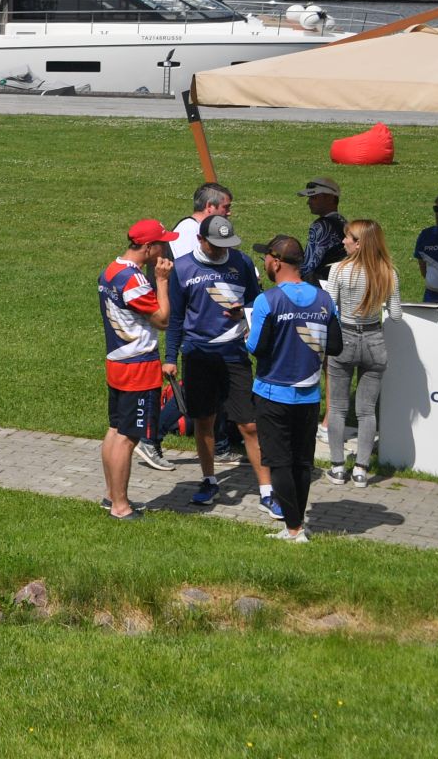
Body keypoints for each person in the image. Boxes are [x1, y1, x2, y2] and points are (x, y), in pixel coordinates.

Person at [165, 215, 282, 516]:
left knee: (250, 424)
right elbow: (176, 318)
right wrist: (169, 357)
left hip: (233, 354)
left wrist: (243, 316)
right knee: (204, 422)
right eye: (215, 245)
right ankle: (209, 480)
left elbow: (258, 306)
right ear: (201, 240)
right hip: (198, 355)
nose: (221, 251)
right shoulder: (183, 268)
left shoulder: (241, 263)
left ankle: (267, 491)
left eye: (226, 245)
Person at [245, 234, 343, 543]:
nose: (264, 262)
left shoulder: (268, 300)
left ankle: (294, 529)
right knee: (302, 461)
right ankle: (297, 523)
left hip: (273, 392)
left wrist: (248, 331)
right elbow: (336, 345)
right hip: (310, 394)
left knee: (279, 462)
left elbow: (256, 348)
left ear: (275, 262)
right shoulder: (324, 299)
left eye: (266, 258)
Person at [97, 219, 177, 520]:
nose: (165, 247)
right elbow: (163, 319)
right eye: (162, 243)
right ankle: (120, 506)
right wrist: (162, 281)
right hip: (138, 366)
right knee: (129, 437)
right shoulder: (134, 282)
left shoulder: (111, 270)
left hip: (117, 360)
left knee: (116, 429)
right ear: (148, 247)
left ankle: (111, 495)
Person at [325, 219, 400, 487]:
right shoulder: (388, 271)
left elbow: (330, 307)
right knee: (367, 410)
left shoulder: (339, 270)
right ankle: (361, 469)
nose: (343, 241)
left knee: (338, 408)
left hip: (344, 337)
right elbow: (397, 314)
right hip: (374, 339)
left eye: (348, 237)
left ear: (360, 243)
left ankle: (337, 466)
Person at [298, 176, 348, 283]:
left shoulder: (320, 226)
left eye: (314, 197)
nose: (308, 202)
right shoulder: (344, 221)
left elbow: (307, 266)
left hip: (323, 284)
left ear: (330, 198)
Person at [170, 182, 232, 260]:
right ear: (209, 206)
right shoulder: (189, 229)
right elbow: (188, 267)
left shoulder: (205, 229)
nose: (229, 212)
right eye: (225, 207)